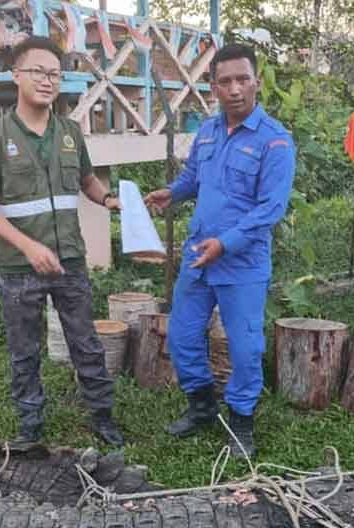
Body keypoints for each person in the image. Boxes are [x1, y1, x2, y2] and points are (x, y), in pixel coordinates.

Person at [0, 37, 124, 448]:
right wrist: (29, 247)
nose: (47, 80)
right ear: (16, 75)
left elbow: (87, 180)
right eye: (38, 71)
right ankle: (30, 424)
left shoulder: (70, 132)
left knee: (86, 343)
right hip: (20, 269)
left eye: (54, 73)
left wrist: (108, 199)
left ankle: (103, 417)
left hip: (69, 259)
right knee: (25, 350)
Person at [144, 43, 296, 459]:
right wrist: (171, 193)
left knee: (246, 347)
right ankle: (202, 407)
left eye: (242, 79)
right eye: (225, 81)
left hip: (241, 263)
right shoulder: (209, 131)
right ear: (213, 86)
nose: (234, 89)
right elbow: (195, 176)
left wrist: (225, 243)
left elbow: (271, 209)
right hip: (198, 256)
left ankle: (242, 420)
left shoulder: (275, 142)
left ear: (256, 82)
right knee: (182, 335)